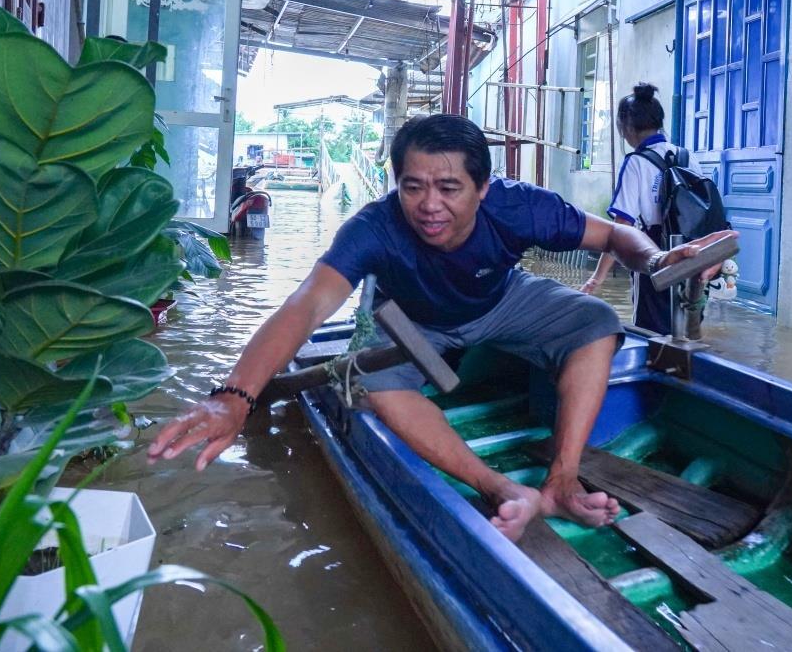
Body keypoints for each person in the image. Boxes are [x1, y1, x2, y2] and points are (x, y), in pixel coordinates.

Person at [149, 113, 732, 543]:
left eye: (449, 187)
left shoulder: (517, 205)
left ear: (481, 187)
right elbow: (304, 307)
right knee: (374, 387)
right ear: (397, 182)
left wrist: (654, 260)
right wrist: (234, 396)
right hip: (409, 320)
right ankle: (497, 487)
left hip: (500, 300)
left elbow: (610, 235)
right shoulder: (372, 228)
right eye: (413, 185)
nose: (429, 204)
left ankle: (560, 481)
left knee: (598, 320)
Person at [581, 83, 679, 336]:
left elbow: (622, 226)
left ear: (626, 127)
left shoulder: (636, 162)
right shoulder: (685, 156)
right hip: (691, 254)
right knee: (684, 328)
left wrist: (598, 277)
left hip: (652, 252)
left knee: (652, 334)